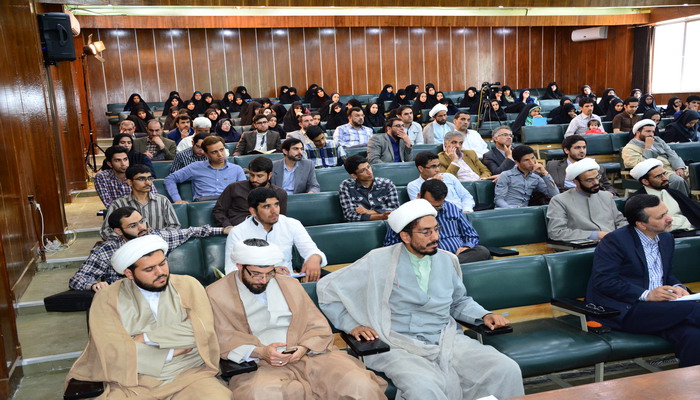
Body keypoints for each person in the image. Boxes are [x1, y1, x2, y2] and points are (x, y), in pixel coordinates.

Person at [318, 199, 524, 399]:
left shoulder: (448, 260)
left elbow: (458, 302)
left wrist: (484, 314)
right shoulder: (379, 260)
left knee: (504, 369)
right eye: (426, 232)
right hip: (397, 343)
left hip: (446, 338)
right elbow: (328, 289)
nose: (435, 237)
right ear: (405, 236)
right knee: (424, 388)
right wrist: (351, 325)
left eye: (436, 229)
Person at [207, 239, 386, 399]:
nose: (263, 280)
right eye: (256, 274)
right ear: (239, 266)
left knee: (359, 384)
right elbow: (223, 338)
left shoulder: (290, 284)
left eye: (269, 273)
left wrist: (303, 347)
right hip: (260, 364)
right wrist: (261, 352)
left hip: (311, 355)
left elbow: (316, 325)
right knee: (261, 394)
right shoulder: (216, 293)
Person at [66, 235, 232, 399]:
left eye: (163, 263)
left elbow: (201, 331)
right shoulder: (107, 297)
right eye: (149, 269)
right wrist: (171, 352)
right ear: (129, 274)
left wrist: (144, 338)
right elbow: (111, 349)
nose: (160, 272)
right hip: (132, 381)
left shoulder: (188, 285)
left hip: (191, 373)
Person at [586, 194, 700, 367]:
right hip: (627, 309)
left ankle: (690, 383)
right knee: (694, 308)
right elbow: (604, 281)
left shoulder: (666, 238)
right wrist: (646, 294)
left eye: (666, 213)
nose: (669, 219)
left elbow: (666, 274)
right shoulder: (614, 242)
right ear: (641, 224)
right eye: (661, 217)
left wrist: (678, 287)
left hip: (663, 309)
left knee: (693, 336)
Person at [69, 207, 230, 292]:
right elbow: (77, 280)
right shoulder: (106, 250)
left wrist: (224, 230)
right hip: (126, 298)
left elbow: (192, 231)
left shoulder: (156, 237)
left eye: (142, 221)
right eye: (133, 225)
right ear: (118, 231)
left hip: (162, 292)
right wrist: (94, 285)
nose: (142, 228)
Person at [224, 188, 326, 281]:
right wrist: (270, 272)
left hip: (287, 283)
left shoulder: (292, 224)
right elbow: (231, 270)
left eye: (276, 205)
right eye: (267, 206)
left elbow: (311, 250)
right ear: (253, 211)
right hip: (255, 285)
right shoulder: (237, 233)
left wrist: (314, 257)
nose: (274, 211)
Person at [384, 180, 491, 263]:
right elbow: (391, 248)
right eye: (431, 205)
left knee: (482, 251)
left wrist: (466, 247)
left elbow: (471, 235)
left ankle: (448, 265)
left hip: (458, 257)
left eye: (438, 206)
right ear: (419, 196)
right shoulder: (404, 214)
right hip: (425, 258)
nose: (434, 210)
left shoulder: (451, 208)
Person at [546, 158, 627, 242]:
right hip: (586, 246)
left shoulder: (606, 196)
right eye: (589, 180)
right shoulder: (560, 201)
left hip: (615, 243)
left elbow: (621, 221)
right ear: (576, 182)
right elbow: (556, 232)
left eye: (597, 177)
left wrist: (620, 235)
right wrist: (595, 235)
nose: (596, 182)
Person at [101, 165, 179, 240]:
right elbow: (105, 231)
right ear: (129, 182)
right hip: (131, 246)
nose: (148, 183)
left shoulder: (162, 201)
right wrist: (128, 237)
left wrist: (154, 234)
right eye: (141, 179)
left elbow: (174, 226)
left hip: (158, 243)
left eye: (149, 178)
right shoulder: (118, 204)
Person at [165, 136, 246, 203]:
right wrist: (177, 199)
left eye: (222, 150)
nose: (220, 154)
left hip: (229, 204)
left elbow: (243, 193)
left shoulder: (237, 169)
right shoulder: (196, 167)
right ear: (206, 154)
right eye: (214, 152)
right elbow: (170, 179)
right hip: (203, 203)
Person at [213, 156, 288, 228]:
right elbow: (219, 210)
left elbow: (280, 219)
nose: (254, 179)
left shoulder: (279, 193)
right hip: (237, 229)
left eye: (259, 176)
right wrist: (228, 226)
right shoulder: (234, 188)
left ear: (269, 175)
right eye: (252, 175)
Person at [630, 159, 700, 235]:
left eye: (664, 174)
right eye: (658, 176)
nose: (665, 178)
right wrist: (682, 221)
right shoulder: (637, 201)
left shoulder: (674, 193)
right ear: (645, 181)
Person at [622, 119, 689, 196]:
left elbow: (671, 153)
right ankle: (681, 202)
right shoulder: (629, 148)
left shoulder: (657, 140)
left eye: (653, 131)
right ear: (638, 133)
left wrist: (679, 167)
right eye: (648, 131)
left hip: (673, 166)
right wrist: (648, 148)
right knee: (677, 180)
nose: (651, 134)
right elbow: (642, 165)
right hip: (658, 172)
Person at [546, 135, 617, 195]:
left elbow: (608, 186)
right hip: (566, 198)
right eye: (577, 148)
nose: (582, 151)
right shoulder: (553, 166)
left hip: (592, 197)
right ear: (566, 150)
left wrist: (610, 192)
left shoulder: (597, 167)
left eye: (584, 147)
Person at [407, 152, 475, 212]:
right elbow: (420, 209)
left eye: (438, 165)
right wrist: (432, 184)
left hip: (461, 212)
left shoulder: (449, 177)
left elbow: (466, 196)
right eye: (433, 166)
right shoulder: (413, 186)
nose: (438, 170)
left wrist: (466, 210)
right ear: (421, 169)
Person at [495, 145, 559, 208]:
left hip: (526, 211)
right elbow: (499, 200)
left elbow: (555, 195)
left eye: (533, 158)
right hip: (508, 210)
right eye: (526, 160)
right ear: (517, 162)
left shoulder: (536, 177)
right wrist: (512, 210)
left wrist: (545, 174)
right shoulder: (506, 176)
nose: (531, 162)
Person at [339, 155, 399, 222]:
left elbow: (395, 210)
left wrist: (368, 211)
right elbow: (349, 215)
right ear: (354, 175)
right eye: (363, 170)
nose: (369, 172)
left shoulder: (387, 183)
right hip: (361, 225)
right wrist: (381, 216)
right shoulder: (346, 185)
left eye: (368, 167)